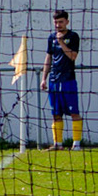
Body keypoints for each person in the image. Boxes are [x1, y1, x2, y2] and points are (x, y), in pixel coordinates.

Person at [40, 9, 83, 148]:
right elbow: (48, 58)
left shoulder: (73, 36)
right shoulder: (51, 37)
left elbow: (73, 56)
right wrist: (44, 78)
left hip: (68, 80)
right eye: (56, 22)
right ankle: (58, 144)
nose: (58, 25)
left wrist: (61, 42)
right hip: (54, 80)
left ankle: (76, 144)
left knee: (74, 112)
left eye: (61, 22)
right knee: (56, 114)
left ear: (67, 22)